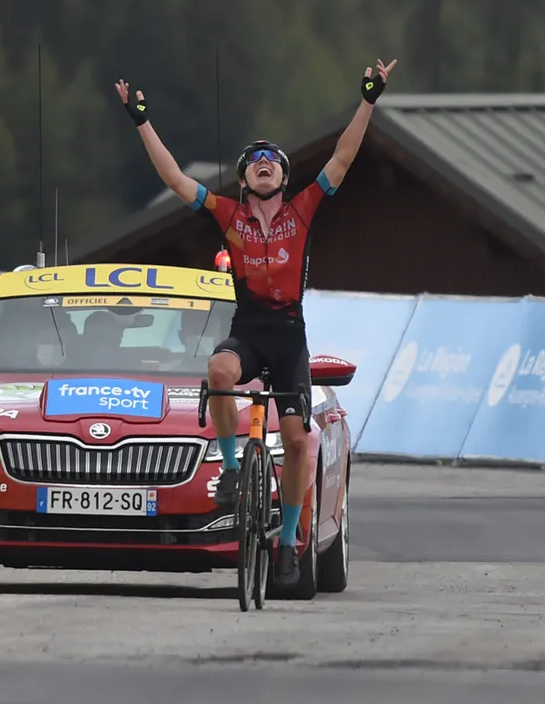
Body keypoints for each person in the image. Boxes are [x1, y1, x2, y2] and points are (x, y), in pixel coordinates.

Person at [114, 57, 397, 586]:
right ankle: (228, 469)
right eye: (254, 159)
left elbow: (343, 156)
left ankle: (287, 540)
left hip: (289, 337)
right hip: (248, 329)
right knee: (219, 374)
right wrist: (142, 120)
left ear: (284, 177)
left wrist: (368, 99)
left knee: (294, 440)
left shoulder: (304, 209)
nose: (264, 161)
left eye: (273, 159)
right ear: (244, 179)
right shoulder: (228, 215)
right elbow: (175, 177)